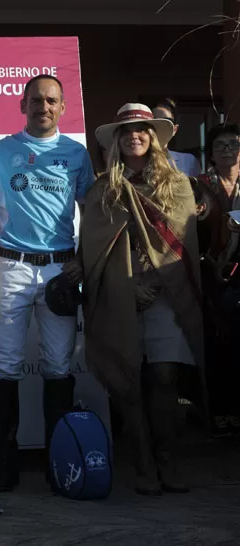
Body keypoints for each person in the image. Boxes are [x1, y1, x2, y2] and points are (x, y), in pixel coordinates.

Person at [80, 103, 202, 495]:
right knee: (128, 381)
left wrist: (158, 282)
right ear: (116, 140)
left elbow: (182, 247)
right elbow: (94, 251)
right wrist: (126, 287)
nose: (135, 135)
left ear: (154, 138)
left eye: (143, 129)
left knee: (165, 377)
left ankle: (169, 460)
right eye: (127, 130)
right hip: (122, 294)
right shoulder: (103, 190)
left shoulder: (179, 185)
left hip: (167, 294)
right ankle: (143, 464)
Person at [0, 74, 94, 491]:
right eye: (35, 100)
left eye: (51, 101)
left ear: (63, 107)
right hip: (10, 267)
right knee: (6, 366)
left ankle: (59, 463)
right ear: (22, 105)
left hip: (60, 271)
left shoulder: (76, 154)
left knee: (58, 367)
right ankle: (4, 466)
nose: (43, 107)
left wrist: (84, 260)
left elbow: (92, 213)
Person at [193, 122, 240, 437]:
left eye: (234, 144)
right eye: (220, 145)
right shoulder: (198, 184)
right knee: (217, 344)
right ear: (210, 153)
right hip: (211, 272)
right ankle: (220, 412)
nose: (228, 150)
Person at [153, 98, 202, 177]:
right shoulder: (136, 160)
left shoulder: (188, 161)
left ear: (174, 130)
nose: (160, 125)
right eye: (154, 121)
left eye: (166, 121)